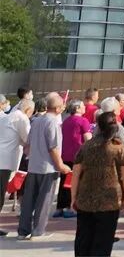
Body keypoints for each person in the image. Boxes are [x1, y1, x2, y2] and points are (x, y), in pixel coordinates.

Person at [70, 111, 124, 255]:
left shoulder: (86, 146)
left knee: (83, 240)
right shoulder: (119, 148)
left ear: (98, 125)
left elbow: (76, 174)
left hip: (86, 199)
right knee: (103, 242)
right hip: (110, 200)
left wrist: (73, 197)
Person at [17, 92, 71, 240]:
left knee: (29, 200)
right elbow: (53, 147)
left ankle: (23, 230)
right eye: (62, 106)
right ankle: (38, 231)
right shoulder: (53, 123)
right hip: (48, 167)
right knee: (44, 200)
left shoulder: (36, 121)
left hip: (33, 165)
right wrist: (60, 165)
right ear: (58, 108)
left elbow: (27, 145)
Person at [0, 98, 34, 236]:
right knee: (0, 193)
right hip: (5, 161)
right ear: (28, 110)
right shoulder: (22, 118)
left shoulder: (9, 116)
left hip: (3, 158)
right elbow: (27, 139)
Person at [55, 99, 91, 218]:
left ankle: (60, 207)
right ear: (77, 108)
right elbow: (88, 139)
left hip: (65, 155)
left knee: (64, 182)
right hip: (78, 155)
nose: (84, 107)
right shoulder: (83, 121)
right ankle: (70, 207)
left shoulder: (65, 121)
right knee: (74, 182)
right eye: (82, 106)